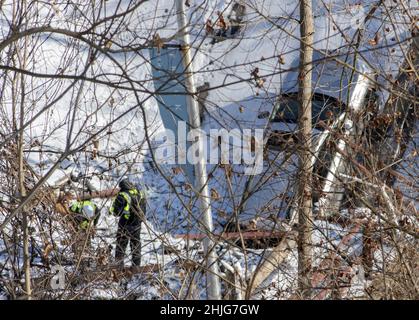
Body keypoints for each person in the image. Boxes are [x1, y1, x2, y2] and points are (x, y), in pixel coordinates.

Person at [109, 179, 146, 268]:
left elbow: (116, 212)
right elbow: (144, 210)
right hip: (137, 224)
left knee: (121, 246)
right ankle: (136, 267)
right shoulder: (140, 193)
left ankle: (118, 267)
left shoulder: (123, 195)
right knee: (136, 246)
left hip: (125, 225)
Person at [68, 199, 100, 267]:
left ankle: (86, 254)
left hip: (86, 224)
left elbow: (98, 215)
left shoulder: (95, 209)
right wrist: (71, 223)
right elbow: (69, 213)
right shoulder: (76, 208)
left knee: (86, 238)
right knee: (77, 238)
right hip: (77, 221)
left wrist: (94, 225)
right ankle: (76, 255)